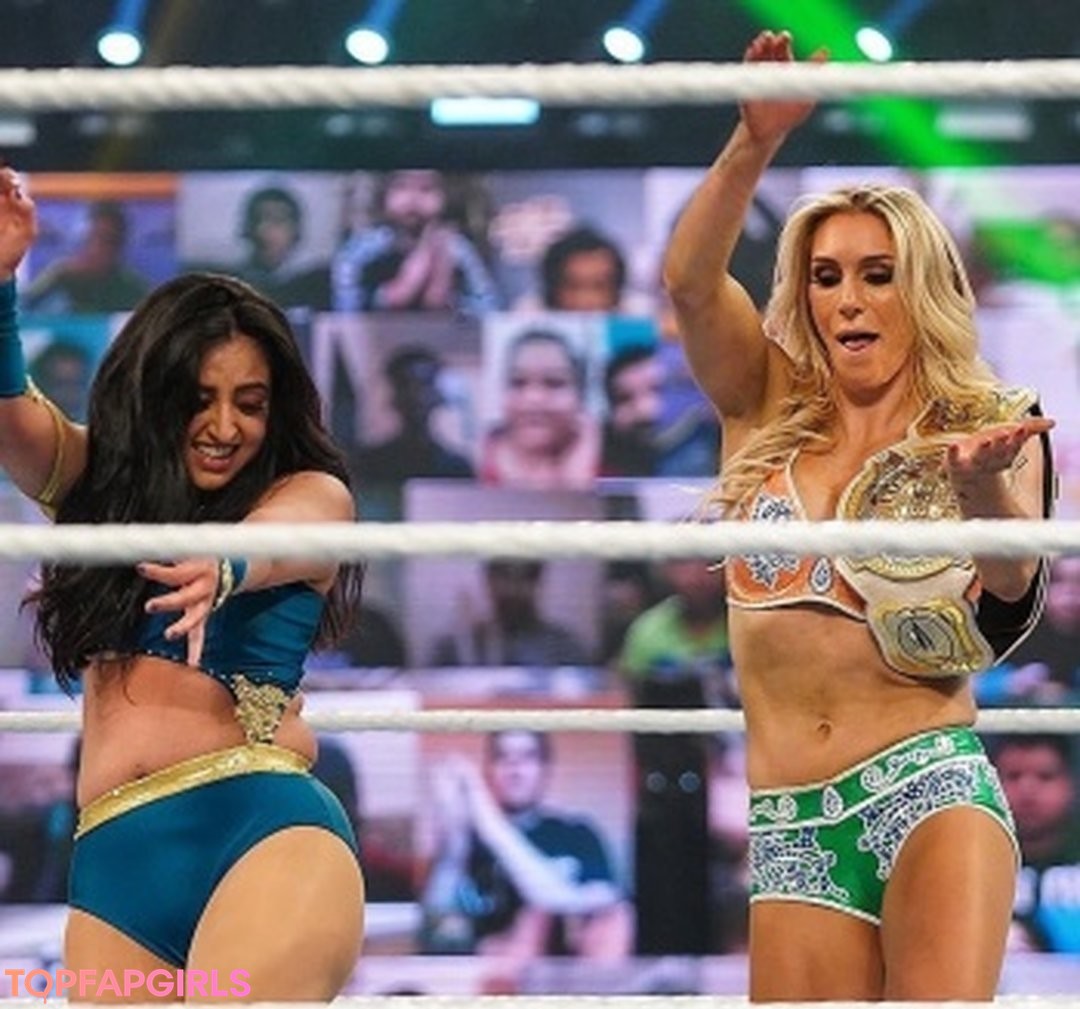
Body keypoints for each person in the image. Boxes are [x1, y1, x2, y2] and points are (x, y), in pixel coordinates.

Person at [662, 29, 1055, 1002]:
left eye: (877, 274)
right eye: (826, 275)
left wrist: (981, 492)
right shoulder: (760, 401)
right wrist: (753, 143)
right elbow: (689, 283)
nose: (848, 299)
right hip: (790, 821)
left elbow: (1013, 596)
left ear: (920, 289)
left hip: (929, 786)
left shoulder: (992, 423)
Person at [0, 169, 366, 999]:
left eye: (251, 403)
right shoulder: (98, 486)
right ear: (154, 396)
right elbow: (10, 417)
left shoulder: (309, 492)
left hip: (260, 833)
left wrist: (222, 565)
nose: (225, 427)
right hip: (114, 861)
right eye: (200, 400)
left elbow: (284, 537)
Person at [420, 729, 633, 960]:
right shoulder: (465, 842)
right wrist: (454, 839)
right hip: (481, 971)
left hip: (558, 972)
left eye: (527, 756)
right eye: (503, 757)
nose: (515, 769)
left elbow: (587, 903)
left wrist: (483, 811)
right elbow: (434, 932)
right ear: (487, 770)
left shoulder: (576, 834)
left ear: (545, 769)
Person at [332, 169, 499, 315]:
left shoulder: (457, 247)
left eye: (426, 189)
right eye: (401, 187)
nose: (412, 200)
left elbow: (487, 304)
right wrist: (402, 287)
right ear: (384, 194)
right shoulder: (364, 248)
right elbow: (345, 307)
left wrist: (452, 299)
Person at [479, 327, 600, 490]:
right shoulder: (469, 467)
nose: (534, 398)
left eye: (554, 383)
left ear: (581, 396)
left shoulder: (609, 472)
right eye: (518, 382)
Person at [991, 733, 1080, 953]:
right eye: (1013, 776)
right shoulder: (968, 863)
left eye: (1045, 776)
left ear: (1070, 785)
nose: (1027, 790)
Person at [428, 559, 592, 668]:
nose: (513, 588)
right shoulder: (454, 650)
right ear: (488, 581)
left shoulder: (564, 648)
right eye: (504, 577)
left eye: (525, 577)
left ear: (538, 583)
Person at [352, 345, 474, 484]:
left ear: (438, 396)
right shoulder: (368, 463)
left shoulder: (458, 469)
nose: (417, 396)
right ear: (393, 397)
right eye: (406, 385)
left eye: (425, 384)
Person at [23, 200, 151, 314]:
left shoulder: (133, 288)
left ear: (119, 246)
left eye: (108, 240)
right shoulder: (61, 275)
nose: (97, 248)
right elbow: (22, 308)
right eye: (92, 238)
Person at [233, 184, 331, 310]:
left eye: (277, 220)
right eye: (257, 219)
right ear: (245, 229)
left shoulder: (319, 283)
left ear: (296, 230)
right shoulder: (230, 284)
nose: (263, 230)